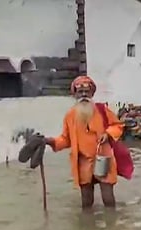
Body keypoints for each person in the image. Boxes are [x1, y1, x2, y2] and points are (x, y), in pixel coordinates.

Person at [45, 76, 124, 209]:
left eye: (87, 92)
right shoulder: (70, 115)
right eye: (80, 92)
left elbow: (118, 126)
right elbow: (65, 139)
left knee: (108, 199)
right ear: (74, 94)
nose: (83, 95)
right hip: (82, 162)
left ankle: (112, 225)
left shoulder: (102, 110)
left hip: (103, 158)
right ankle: (87, 226)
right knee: (86, 202)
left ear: (92, 93)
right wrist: (50, 141)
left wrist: (108, 134)